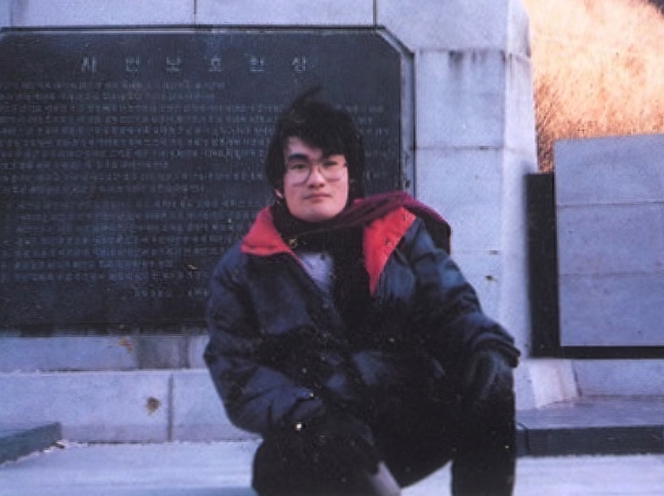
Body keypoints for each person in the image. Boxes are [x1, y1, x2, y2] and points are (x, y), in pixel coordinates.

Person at [204, 91, 520, 495]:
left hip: (405, 416)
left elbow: (453, 307)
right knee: (282, 465)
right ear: (279, 183)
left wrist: (485, 346)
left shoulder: (400, 235)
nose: (316, 179)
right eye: (299, 166)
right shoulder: (242, 269)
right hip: (320, 433)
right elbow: (238, 373)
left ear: (349, 173)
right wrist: (309, 414)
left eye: (329, 164)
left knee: (490, 375)